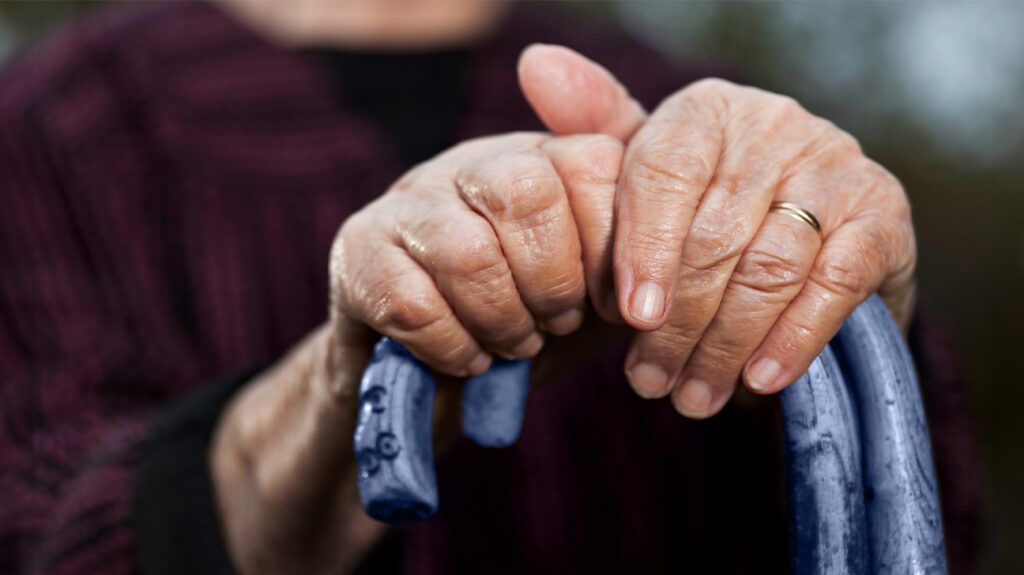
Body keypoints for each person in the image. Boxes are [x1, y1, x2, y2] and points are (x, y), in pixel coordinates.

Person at [0, 1, 979, 574]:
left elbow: (934, 531)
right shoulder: (58, 132)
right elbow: (49, 528)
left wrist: (832, 309)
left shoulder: (678, 97)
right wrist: (332, 397)